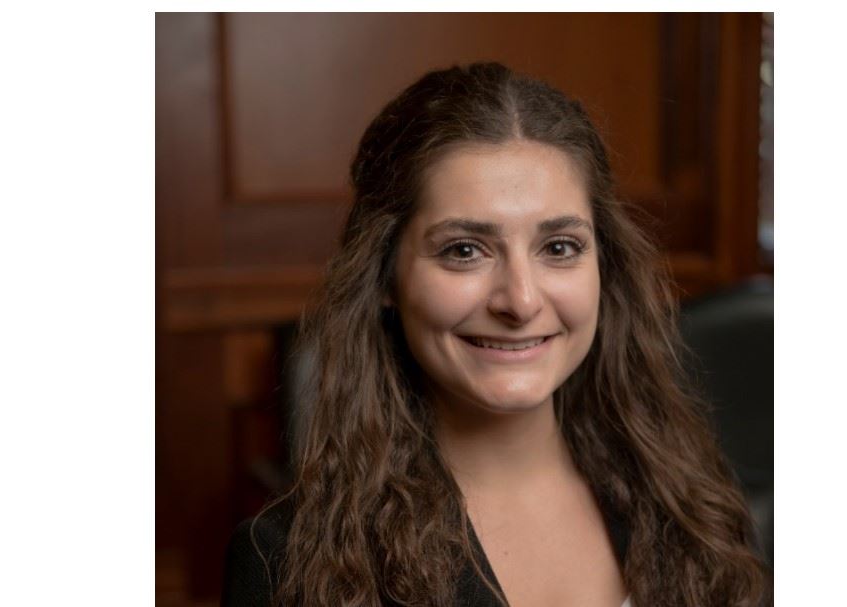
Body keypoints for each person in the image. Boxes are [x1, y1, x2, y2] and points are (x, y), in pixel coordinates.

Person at [221, 62, 769, 607]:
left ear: (605, 264)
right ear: (386, 275)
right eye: (464, 250)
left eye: (559, 248)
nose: (521, 301)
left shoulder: (693, 503)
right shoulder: (284, 561)